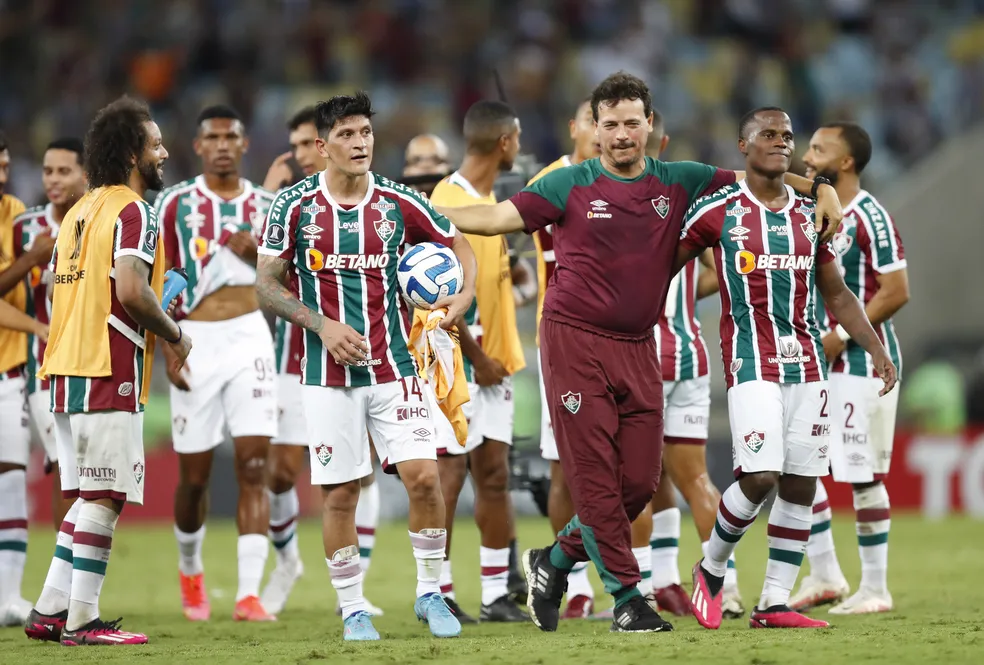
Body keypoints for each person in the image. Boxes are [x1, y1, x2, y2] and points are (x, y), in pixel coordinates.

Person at [432, 71, 844, 634]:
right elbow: (494, 217)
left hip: (637, 345)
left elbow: (762, 175)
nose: (622, 134)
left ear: (649, 125)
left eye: (632, 122)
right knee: (597, 478)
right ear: (593, 130)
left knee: (640, 484)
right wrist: (422, 213)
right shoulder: (567, 184)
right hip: (572, 340)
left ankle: (552, 563)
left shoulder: (682, 180)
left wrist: (819, 186)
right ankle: (629, 598)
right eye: (611, 125)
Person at [255, 91, 476, 641]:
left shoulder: (398, 202)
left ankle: (431, 593)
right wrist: (321, 326)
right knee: (342, 493)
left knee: (424, 479)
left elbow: (459, 243)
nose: (360, 144)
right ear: (321, 145)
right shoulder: (295, 207)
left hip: (397, 367)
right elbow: (265, 285)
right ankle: (352, 607)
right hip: (326, 377)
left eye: (366, 134)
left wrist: (462, 298)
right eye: (347, 136)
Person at [679, 107, 896, 630]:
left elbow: (838, 293)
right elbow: (665, 264)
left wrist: (876, 349)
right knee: (760, 475)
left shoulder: (810, 213)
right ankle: (710, 569)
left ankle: (773, 602)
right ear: (743, 145)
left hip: (809, 365)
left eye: (787, 136)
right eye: (768, 135)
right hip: (751, 361)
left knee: (800, 483)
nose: (781, 143)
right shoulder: (717, 210)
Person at [26, 95, 191, 646]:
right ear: (131, 153)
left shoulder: (79, 209)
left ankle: (51, 610)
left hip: (65, 368)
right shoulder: (133, 211)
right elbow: (130, 290)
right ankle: (83, 621)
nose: (164, 152)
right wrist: (175, 333)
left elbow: (70, 288)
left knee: (87, 496)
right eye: (155, 143)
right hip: (106, 367)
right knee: (106, 497)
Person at [154, 105, 278, 622]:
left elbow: (292, 281)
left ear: (245, 145)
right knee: (196, 476)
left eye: (232, 135)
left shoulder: (270, 205)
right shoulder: (172, 203)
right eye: (213, 137)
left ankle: (249, 595)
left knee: (254, 465)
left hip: (250, 333)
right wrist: (167, 345)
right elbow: (151, 275)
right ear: (198, 146)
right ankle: (191, 571)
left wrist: (258, 259)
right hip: (194, 337)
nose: (223, 144)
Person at [259, 106, 384, 617]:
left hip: (360, 356)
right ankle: (288, 561)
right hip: (296, 359)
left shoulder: (367, 200)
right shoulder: (286, 206)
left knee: (364, 473)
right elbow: (261, 281)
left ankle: (359, 585)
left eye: (309, 145)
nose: (304, 155)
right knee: (282, 474)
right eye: (297, 147)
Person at [791, 122, 909, 615]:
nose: (807, 155)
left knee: (861, 476)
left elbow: (896, 290)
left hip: (861, 361)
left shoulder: (869, 215)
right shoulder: (807, 207)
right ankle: (824, 574)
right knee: (798, 464)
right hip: (819, 359)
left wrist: (839, 337)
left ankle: (875, 589)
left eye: (819, 148)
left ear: (845, 162)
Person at [426, 100, 528, 624]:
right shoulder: (449, 200)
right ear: (506, 141)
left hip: (496, 360)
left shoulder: (488, 202)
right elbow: (435, 293)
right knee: (450, 474)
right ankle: (436, 592)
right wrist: (476, 355)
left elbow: (487, 281)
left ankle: (494, 595)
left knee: (493, 476)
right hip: (460, 355)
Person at [529, 97, 601, 620]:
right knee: (564, 470)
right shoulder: (549, 183)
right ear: (574, 126)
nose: (603, 132)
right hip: (562, 341)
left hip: (620, 340)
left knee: (621, 468)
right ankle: (570, 584)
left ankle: (625, 574)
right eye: (594, 122)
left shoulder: (632, 176)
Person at [4, 138, 87, 532]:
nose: (53, 180)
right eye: (48, 171)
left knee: (89, 470)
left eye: (64, 171)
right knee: (63, 464)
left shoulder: (100, 219)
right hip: (45, 364)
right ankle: (66, 574)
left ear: (85, 175)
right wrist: (32, 259)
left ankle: (77, 568)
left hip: (94, 360)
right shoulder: (25, 227)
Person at [0, 130, 32, 626]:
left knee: (12, 478)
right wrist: (31, 259)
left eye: (4, 159)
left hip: (10, 368)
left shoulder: (18, 214)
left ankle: (9, 597)